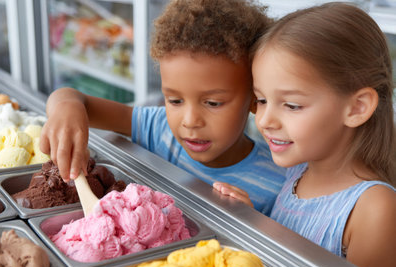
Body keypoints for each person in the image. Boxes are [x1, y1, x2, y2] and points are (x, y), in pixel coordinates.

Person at [40, 0, 286, 216]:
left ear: (255, 98)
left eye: (212, 103)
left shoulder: (277, 182)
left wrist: (253, 221)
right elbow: (74, 99)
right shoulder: (157, 128)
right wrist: (65, 106)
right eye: (175, 101)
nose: (190, 121)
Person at [253, 2, 396, 267]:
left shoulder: (375, 210)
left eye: (292, 105)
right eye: (261, 100)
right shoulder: (300, 168)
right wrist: (252, 220)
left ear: (356, 108)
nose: (265, 120)